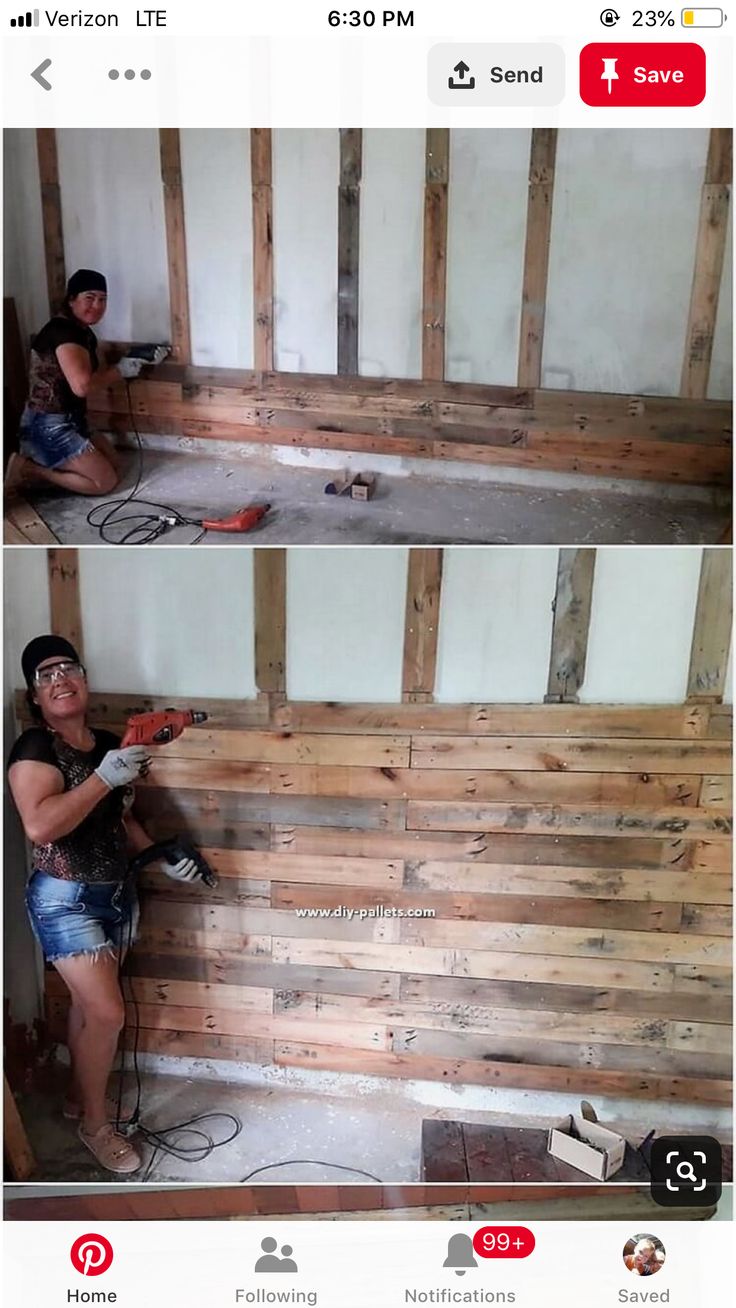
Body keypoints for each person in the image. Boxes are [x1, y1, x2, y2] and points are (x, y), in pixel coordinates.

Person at [7, 635, 202, 1174]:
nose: (59, 679)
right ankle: (95, 1126)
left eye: (68, 668)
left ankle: (78, 1100)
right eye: (45, 675)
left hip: (114, 895)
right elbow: (41, 825)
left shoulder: (109, 743)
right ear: (34, 694)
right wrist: (102, 777)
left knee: (87, 1010)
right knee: (108, 1014)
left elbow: (118, 821)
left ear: (85, 679)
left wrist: (160, 857)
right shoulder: (34, 749)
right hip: (63, 900)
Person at [4, 268, 166, 501]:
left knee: (115, 464)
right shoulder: (63, 333)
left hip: (74, 419)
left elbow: (96, 370)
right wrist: (121, 370)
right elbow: (82, 386)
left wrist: (134, 356)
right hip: (48, 425)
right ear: (71, 300)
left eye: (103, 299)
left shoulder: (83, 332)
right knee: (104, 482)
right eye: (89, 298)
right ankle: (29, 468)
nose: (97, 306)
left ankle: (49, 463)